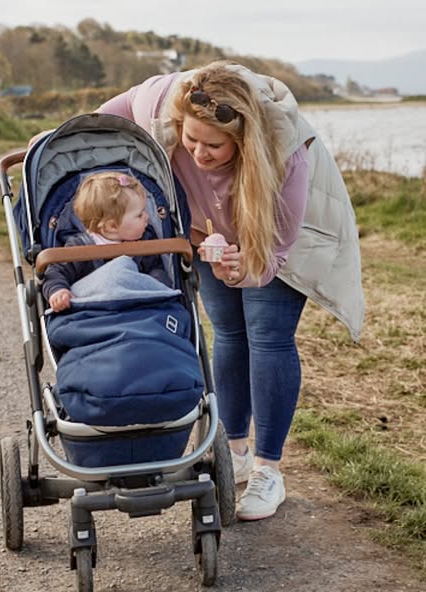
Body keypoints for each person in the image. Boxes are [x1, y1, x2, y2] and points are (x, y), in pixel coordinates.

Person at [96, 60, 365, 521]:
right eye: (191, 139)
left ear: (242, 139)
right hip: (209, 229)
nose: (199, 153)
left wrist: (244, 269)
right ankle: (234, 451)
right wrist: (58, 137)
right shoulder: (164, 102)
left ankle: (268, 470)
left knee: (267, 334)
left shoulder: (286, 152)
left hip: (276, 233)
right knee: (228, 333)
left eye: (214, 146)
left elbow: (273, 256)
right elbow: (109, 115)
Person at [42, 171, 170, 311]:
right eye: (139, 215)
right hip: (94, 311)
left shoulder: (146, 242)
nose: (147, 217)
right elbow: (55, 272)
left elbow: (156, 268)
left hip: (136, 308)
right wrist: (58, 291)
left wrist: (156, 281)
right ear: (112, 226)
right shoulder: (80, 248)